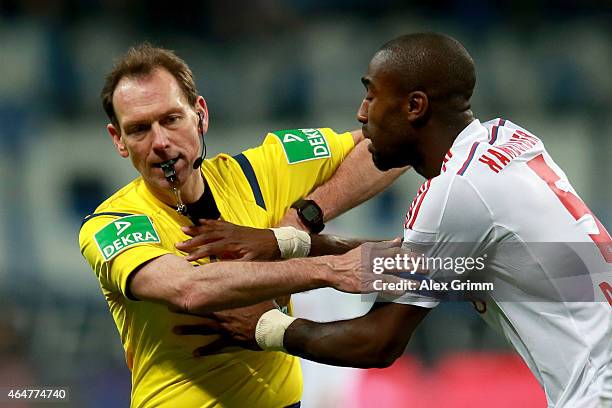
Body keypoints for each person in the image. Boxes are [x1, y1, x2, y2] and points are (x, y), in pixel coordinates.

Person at [175, 33, 612, 407]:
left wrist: (266, 328)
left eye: (371, 95)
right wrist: (287, 244)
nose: (361, 114)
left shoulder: (456, 191)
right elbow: (419, 263)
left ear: (414, 106)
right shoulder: (506, 139)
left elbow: (379, 341)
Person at [78, 43, 407, 407]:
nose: (160, 142)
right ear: (118, 141)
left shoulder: (258, 173)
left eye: (171, 119)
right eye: (139, 129)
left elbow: (395, 143)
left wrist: (301, 219)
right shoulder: (111, 224)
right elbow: (189, 289)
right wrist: (328, 269)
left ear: (199, 115)